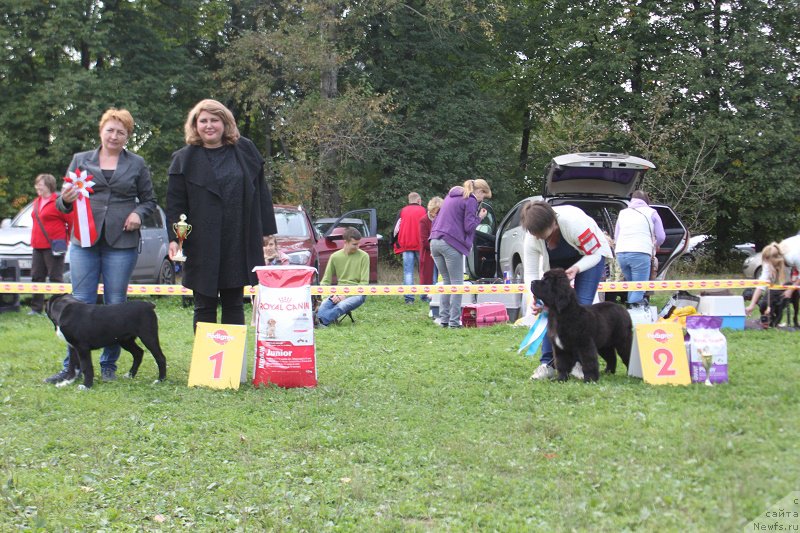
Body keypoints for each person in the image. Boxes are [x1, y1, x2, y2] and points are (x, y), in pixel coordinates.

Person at [45, 108, 157, 384]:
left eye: (121, 132)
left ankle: (108, 365)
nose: (115, 136)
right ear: (101, 130)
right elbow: (61, 203)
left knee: (115, 303)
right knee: (77, 304)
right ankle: (72, 368)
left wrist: (138, 214)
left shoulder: (137, 163)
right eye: (110, 130)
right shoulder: (80, 160)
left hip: (122, 240)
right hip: (84, 239)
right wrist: (68, 199)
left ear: (128, 136)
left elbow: (149, 201)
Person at [167, 99, 277, 331]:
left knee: (234, 303)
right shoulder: (183, 159)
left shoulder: (245, 150)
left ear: (225, 123)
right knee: (203, 304)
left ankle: (232, 365)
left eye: (214, 120)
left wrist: (267, 233)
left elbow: (261, 195)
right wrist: (175, 239)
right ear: (195, 125)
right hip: (201, 243)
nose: (209, 125)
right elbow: (176, 204)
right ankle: (206, 366)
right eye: (203, 120)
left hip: (237, 239)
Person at [522, 201, 613, 380]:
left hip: (589, 258)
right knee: (552, 310)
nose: (540, 239)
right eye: (536, 235)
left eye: (543, 234)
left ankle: (580, 363)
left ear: (553, 223)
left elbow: (594, 254)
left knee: (581, 308)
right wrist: (535, 298)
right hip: (558, 264)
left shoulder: (575, 223)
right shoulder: (531, 238)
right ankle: (547, 363)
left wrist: (577, 268)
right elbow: (531, 274)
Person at [429, 179, 492, 328]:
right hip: (450, 243)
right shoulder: (470, 200)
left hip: (435, 241)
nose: (482, 199)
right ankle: (454, 322)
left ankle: (444, 320)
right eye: (484, 196)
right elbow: (469, 226)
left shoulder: (450, 196)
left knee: (447, 283)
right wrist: (480, 218)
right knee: (457, 284)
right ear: (479, 191)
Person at [613, 190, 666, 307]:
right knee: (639, 286)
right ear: (646, 200)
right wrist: (655, 245)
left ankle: (631, 312)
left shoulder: (623, 213)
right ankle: (635, 314)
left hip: (621, 253)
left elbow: (616, 236)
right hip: (640, 252)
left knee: (632, 285)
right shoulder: (652, 212)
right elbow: (662, 236)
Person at [29, 173, 71, 316]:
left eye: (40, 184)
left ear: (48, 185)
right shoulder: (36, 201)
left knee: (55, 277)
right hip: (37, 245)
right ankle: (36, 307)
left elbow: (70, 222)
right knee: (36, 276)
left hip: (54, 246)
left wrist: (67, 241)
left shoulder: (58, 202)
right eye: (36, 184)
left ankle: (59, 306)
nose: (37, 187)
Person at [316, 227, 369, 326]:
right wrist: (326, 297)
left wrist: (345, 295)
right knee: (324, 305)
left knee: (341, 305)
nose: (358, 246)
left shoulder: (364, 256)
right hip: (338, 292)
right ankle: (321, 320)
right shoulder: (335, 256)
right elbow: (325, 281)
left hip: (358, 294)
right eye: (355, 244)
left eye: (359, 243)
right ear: (346, 242)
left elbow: (364, 283)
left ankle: (320, 322)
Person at [745, 236, 800, 318]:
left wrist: (790, 290)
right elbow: (761, 284)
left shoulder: (793, 255)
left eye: (772, 266)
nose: (770, 268)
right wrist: (751, 305)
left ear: (777, 261)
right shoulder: (770, 259)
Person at [393, 192, 428, 303]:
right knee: (423, 271)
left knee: (408, 272)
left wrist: (394, 242)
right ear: (419, 200)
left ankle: (409, 299)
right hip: (421, 246)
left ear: (409, 200)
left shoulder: (402, 211)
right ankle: (425, 296)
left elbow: (395, 229)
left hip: (406, 245)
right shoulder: (424, 211)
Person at [418, 196, 443, 302]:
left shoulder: (443, 219)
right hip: (428, 253)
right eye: (435, 212)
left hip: (442, 252)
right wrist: (435, 247)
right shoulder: (423, 220)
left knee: (440, 276)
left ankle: (438, 296)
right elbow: (424, 240)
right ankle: (425, 296)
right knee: (429, 276)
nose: (436, 214)